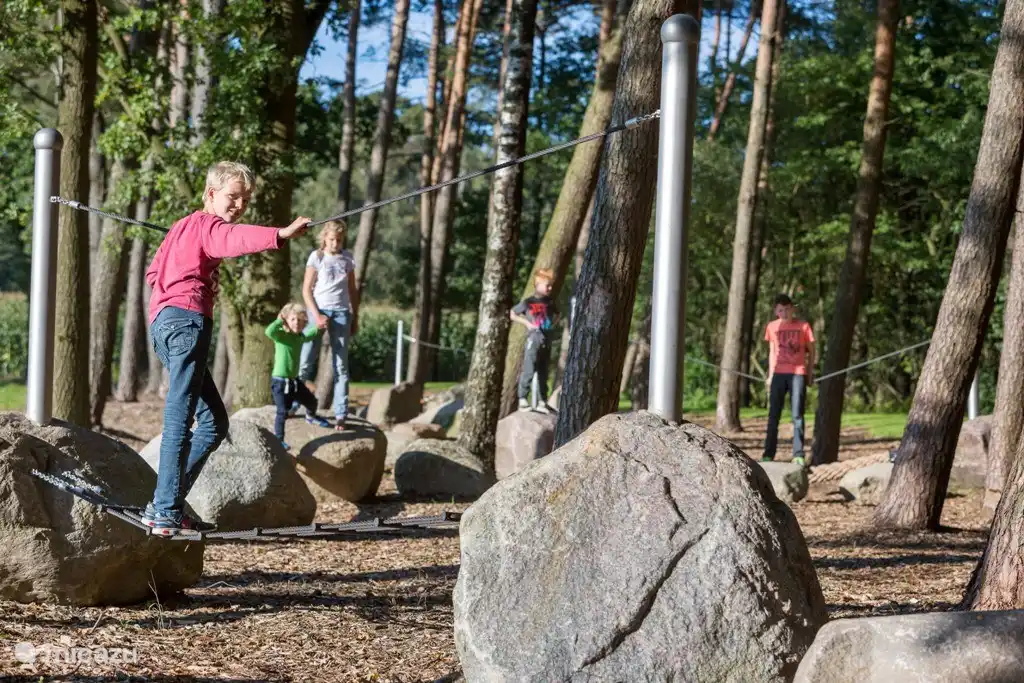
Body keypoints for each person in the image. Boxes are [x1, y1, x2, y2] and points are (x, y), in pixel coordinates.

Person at [142, 161, 310, 535]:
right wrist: (279, 234)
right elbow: (232, 239)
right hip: (187, 322)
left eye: (245, 199)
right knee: (180, 419)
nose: (238, 205)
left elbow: (153, 273)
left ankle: (164, 500)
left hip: (162, 324)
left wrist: (185, 262)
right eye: (233, 196)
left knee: (214, 422)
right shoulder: (208, 226)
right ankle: (165, 510)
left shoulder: (180, 228)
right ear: (211, 194)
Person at [299, 221, 359, 430]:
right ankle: (295, 404)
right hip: (318, 311)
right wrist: (316, 316)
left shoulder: (348, 258)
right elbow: (306, 290)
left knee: (341, 365)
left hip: (342, 313)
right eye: (332, 239)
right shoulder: (317, 257)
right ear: (324, 238)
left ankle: (341, 412)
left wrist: (355, 316)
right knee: (306, 360)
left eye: (339, 240)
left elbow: (352, 291)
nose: (335, 243)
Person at [266, 303, 332, 449]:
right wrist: (278, 321)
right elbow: (269, 332)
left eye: (301, 321)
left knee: (312, 401)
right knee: (282, 412)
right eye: (294, 319)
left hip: (294, 382)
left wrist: (319, 328)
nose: (298, 323)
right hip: (280, 382)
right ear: (286, 320)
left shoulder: (299, 337)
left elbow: (310, 336)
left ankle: (311, 416)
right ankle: (279, 440)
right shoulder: (281, 336)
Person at [762, 293, 816, 467]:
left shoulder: (804, 327)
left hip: (798, 373)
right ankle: (768, 453)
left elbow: (812, 351)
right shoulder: (772, 327)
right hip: (778, 373)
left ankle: (798, 454)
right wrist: (770, 376)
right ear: (775, 311)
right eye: (780, 310)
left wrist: (809, 373)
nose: (784, 313)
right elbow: (772, 352)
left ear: (792, 308)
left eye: (787, 309)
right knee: (773, 416)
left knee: (797, 415)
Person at [510, 268, 559, 414]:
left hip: (546, 341)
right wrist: (527, 323)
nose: (549, 288)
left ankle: (542, 401)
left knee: (543, 372)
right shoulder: (528, 302)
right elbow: (512, 313)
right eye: (547, 285)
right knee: (529, 369)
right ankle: (523, 399)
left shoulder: (550, 302)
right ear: (538, 285)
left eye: (550, 285)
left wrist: (552, 325)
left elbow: (557, 314)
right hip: (533, 340)